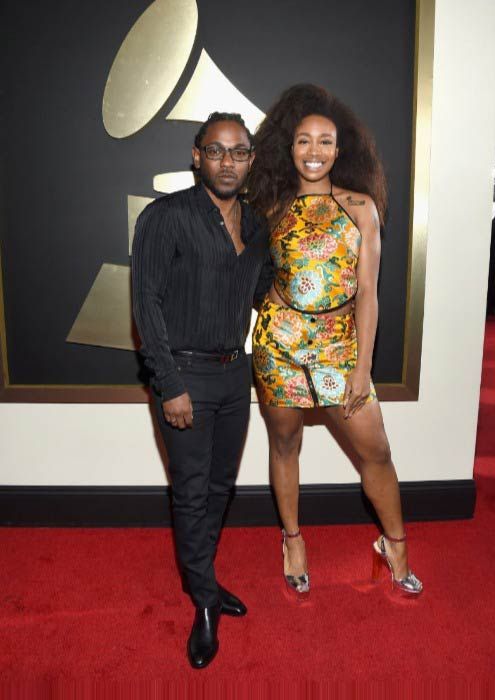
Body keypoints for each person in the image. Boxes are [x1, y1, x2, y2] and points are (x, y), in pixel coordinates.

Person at [249, 84, 422, 599]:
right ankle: (293, 540)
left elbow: (368, 292)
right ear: (291, 147)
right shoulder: (273, 205)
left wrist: (362, 365)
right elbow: (253, 273)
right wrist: (274, 306)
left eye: (325, 141)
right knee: (285, 444)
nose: (315, 151)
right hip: (279, 345)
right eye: (304, 141)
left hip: (340, 347)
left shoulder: (360, 208)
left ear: (339, 149)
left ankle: (395, 546)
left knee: (377, 453)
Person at [132, 112, 273, 668]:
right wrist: (169, 385)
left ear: (251, 160)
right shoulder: (164, 217)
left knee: (220, 487)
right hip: (184, 378)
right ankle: (204, 601)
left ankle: (203, 577)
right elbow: (146, 306)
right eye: (216, 151)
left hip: (235, 374)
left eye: (239, 152)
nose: (228, 161)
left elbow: (261, 290)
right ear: (197, 155)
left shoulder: (258, 224)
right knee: (191, 492)